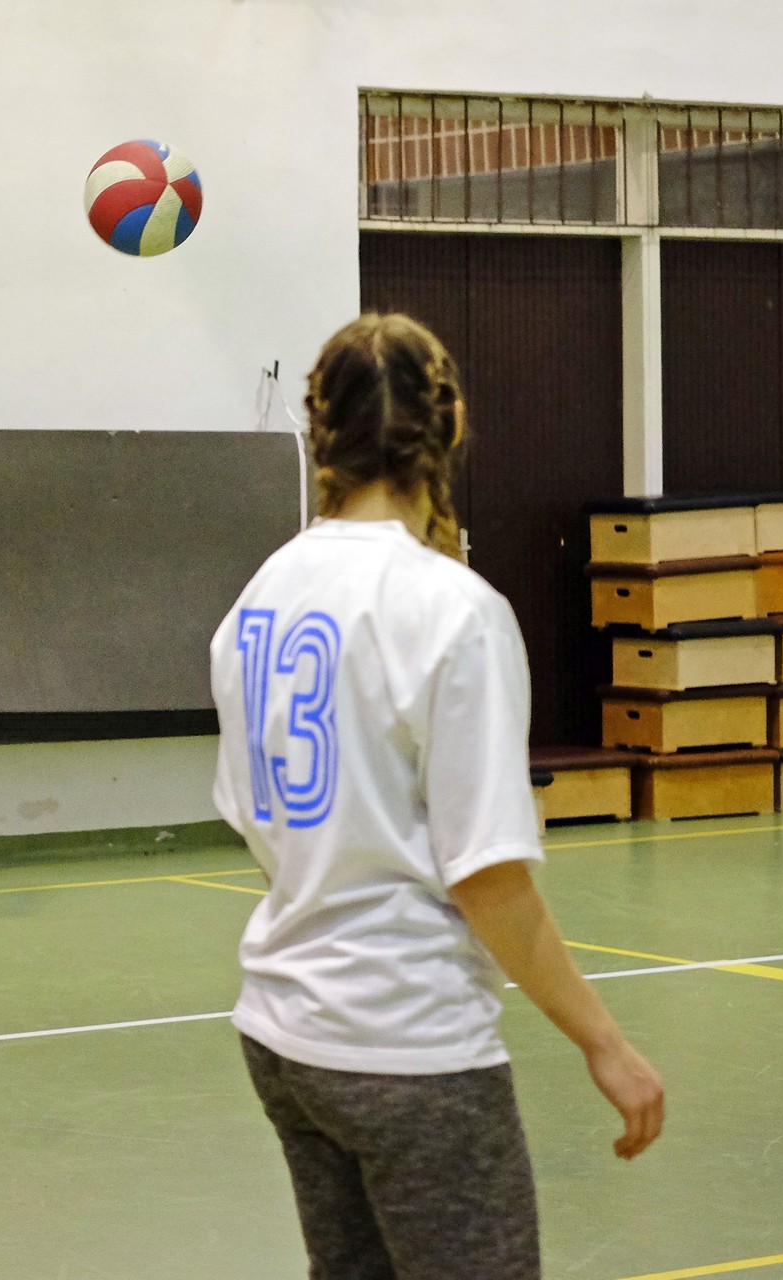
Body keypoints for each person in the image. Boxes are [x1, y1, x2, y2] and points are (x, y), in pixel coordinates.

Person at [209, 313, 664, 1278]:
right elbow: (487, 876)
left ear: (320, 432)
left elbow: (256, 821)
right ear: (449, 426)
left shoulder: (259, 596)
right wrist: (605, 1043)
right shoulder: (454, 610)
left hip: (285, 1035)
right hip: (407, 1044)